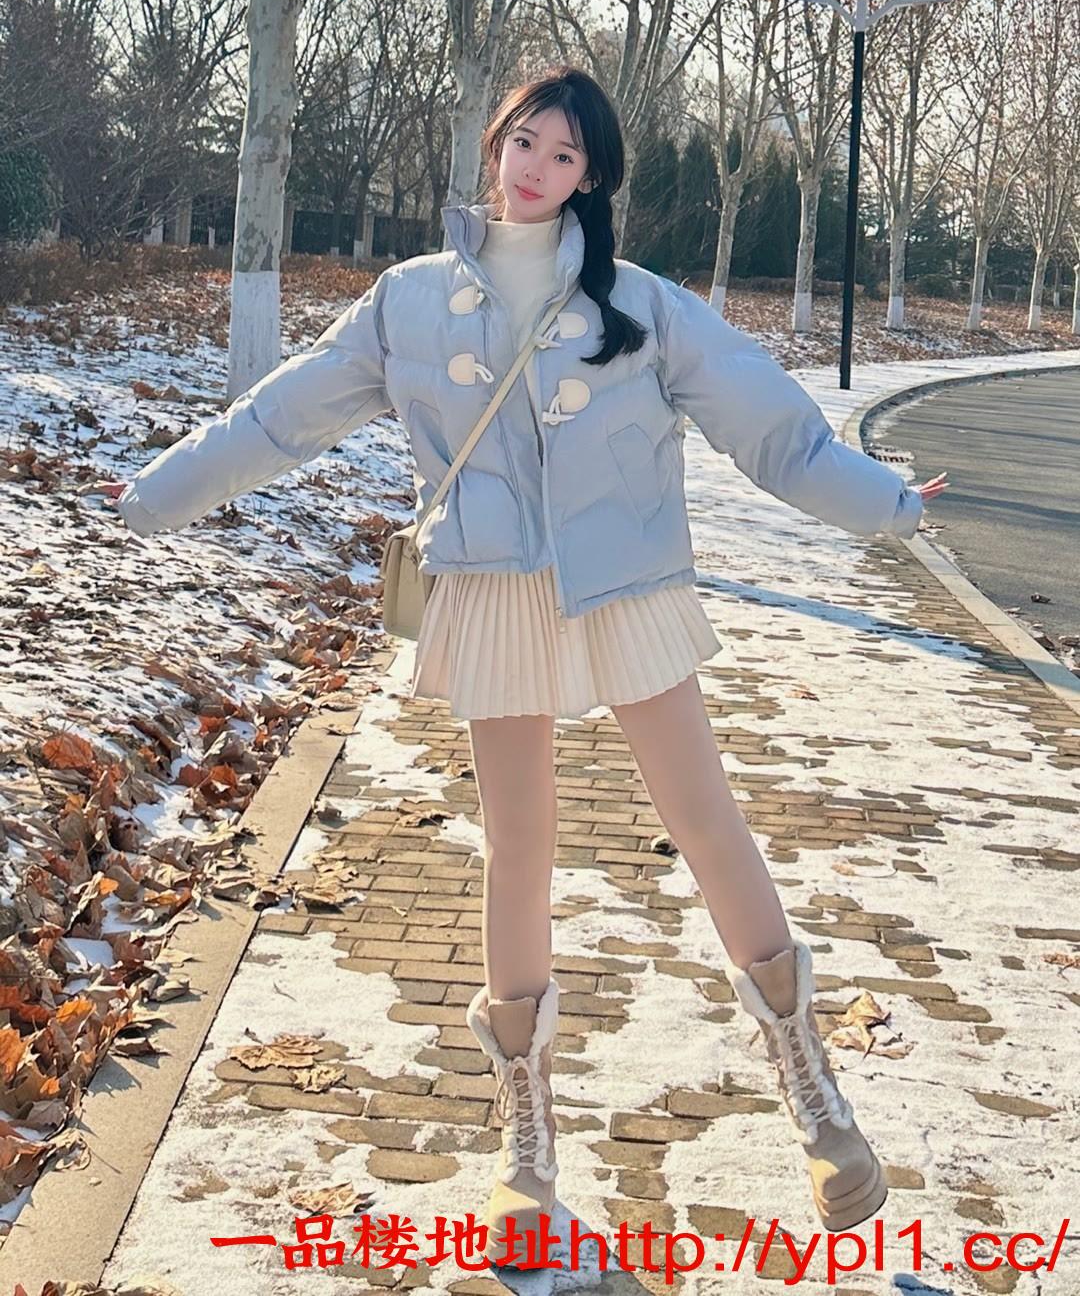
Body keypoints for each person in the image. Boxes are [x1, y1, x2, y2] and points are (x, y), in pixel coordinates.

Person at [103, 63, 948, 1265]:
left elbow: (772, 427)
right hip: (493, 590)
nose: (536, 166)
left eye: (564, 154)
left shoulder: (639, 305)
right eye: (524, 141)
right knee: (519, 848)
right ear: (495, 143)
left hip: (626, 585)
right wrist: (156, 491)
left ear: (589, 177)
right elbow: (283, 417)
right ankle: (528, 1145)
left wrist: (886, 503)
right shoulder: (407, 301)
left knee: (706, 818)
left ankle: (813, 1088)